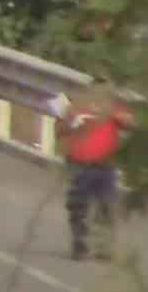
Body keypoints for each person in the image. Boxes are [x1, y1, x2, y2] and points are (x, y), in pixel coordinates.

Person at [50, 77, 136, 261]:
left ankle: (103, 248)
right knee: (78, 205)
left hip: (105, 164)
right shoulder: (73, 105)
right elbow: (58, 130)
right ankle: (80, 244)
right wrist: (72, 123)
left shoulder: (115, 107)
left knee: (106, 205)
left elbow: (130, 124)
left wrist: (120, 118)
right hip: (78, 163)